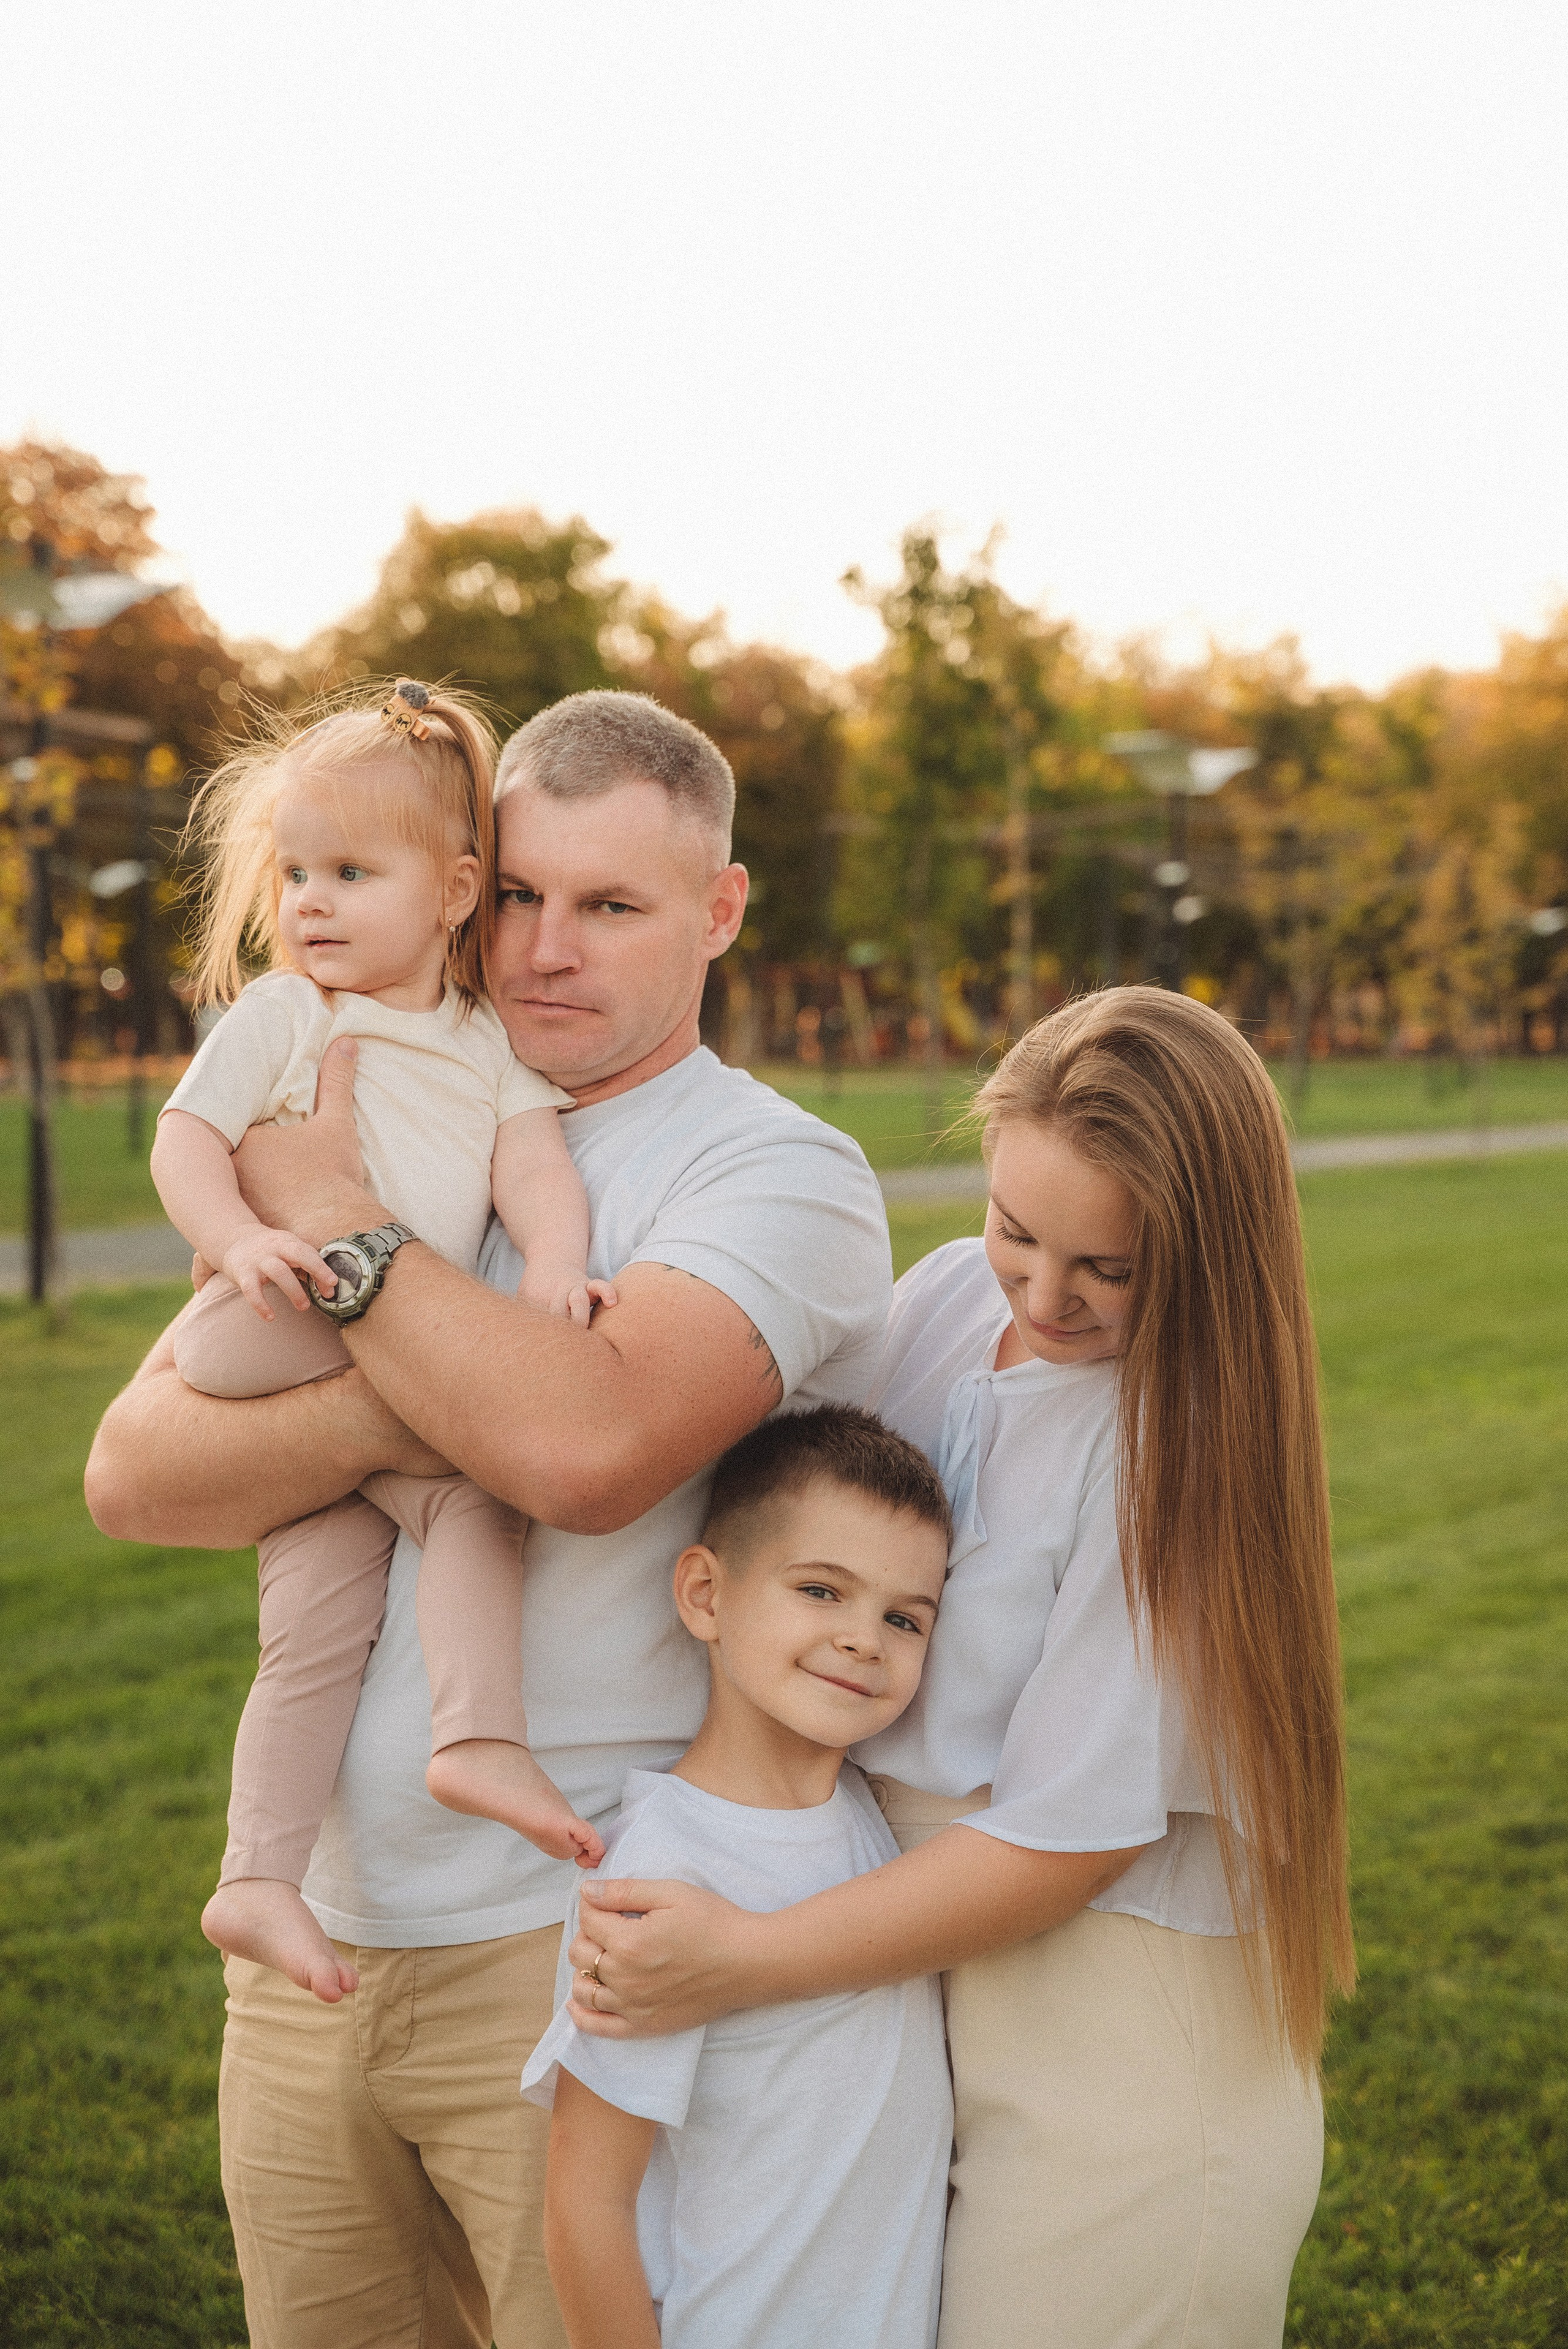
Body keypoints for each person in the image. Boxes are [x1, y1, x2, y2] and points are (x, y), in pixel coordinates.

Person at [85, 690, 892, 2349]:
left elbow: (587, 1458)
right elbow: (139, 1473)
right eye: (521, 894)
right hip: (311, 1938)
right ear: (463, 885)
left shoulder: (777, 1174)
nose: (545, 948)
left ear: (721, 910)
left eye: (612, 904)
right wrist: (488, 1390)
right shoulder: (367, 1069)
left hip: (556, 1951)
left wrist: (342, 1221)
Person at [567, 986, 1356, 2349]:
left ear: (1207, 1256)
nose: (1044, 1295)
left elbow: (1064, 1841)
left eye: (1106, 1268)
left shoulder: (1177, 1445)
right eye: (1014, 1230)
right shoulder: (940, 1298)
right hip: (932, 2008)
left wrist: (743, 1956)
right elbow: (783, 1497)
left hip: (1118, 2068)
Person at [151, 678, 614, 2007]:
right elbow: (188, 1137)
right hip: (269, 1325)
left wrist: (559, 1265)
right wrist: (238, 1238)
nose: (308, 901)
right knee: (476, 1471)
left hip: (349, 1384)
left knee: (321, 1631)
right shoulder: (291, 1014)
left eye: (350, 871)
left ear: (456, 890)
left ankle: (265, 1872)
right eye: (296, 870)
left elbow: (534, 1168)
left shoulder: (477, 1040)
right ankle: (474, 1735)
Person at [526, 1405, 954, 2349]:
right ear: (706, 1596)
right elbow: (586, 2203)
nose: (863, 1641)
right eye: (820, 1591)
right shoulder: (662, 1869)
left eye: (903, 1617)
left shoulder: (870, 1823)